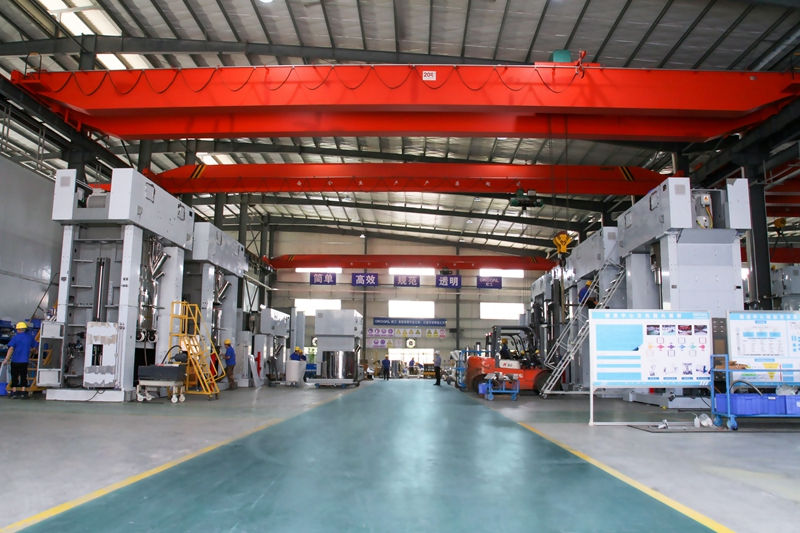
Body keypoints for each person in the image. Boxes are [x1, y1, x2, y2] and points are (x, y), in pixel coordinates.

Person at [3, 322, 37, 399]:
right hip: (24, 361)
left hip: (15, 360)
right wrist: (32, 351)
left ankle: (14, 392)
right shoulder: (30, 337)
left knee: (14, 376)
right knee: (23, 376)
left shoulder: (15, 338)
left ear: (18, 329)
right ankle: (23, 392)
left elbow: (11, 348)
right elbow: (34, 348)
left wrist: (6, 359)